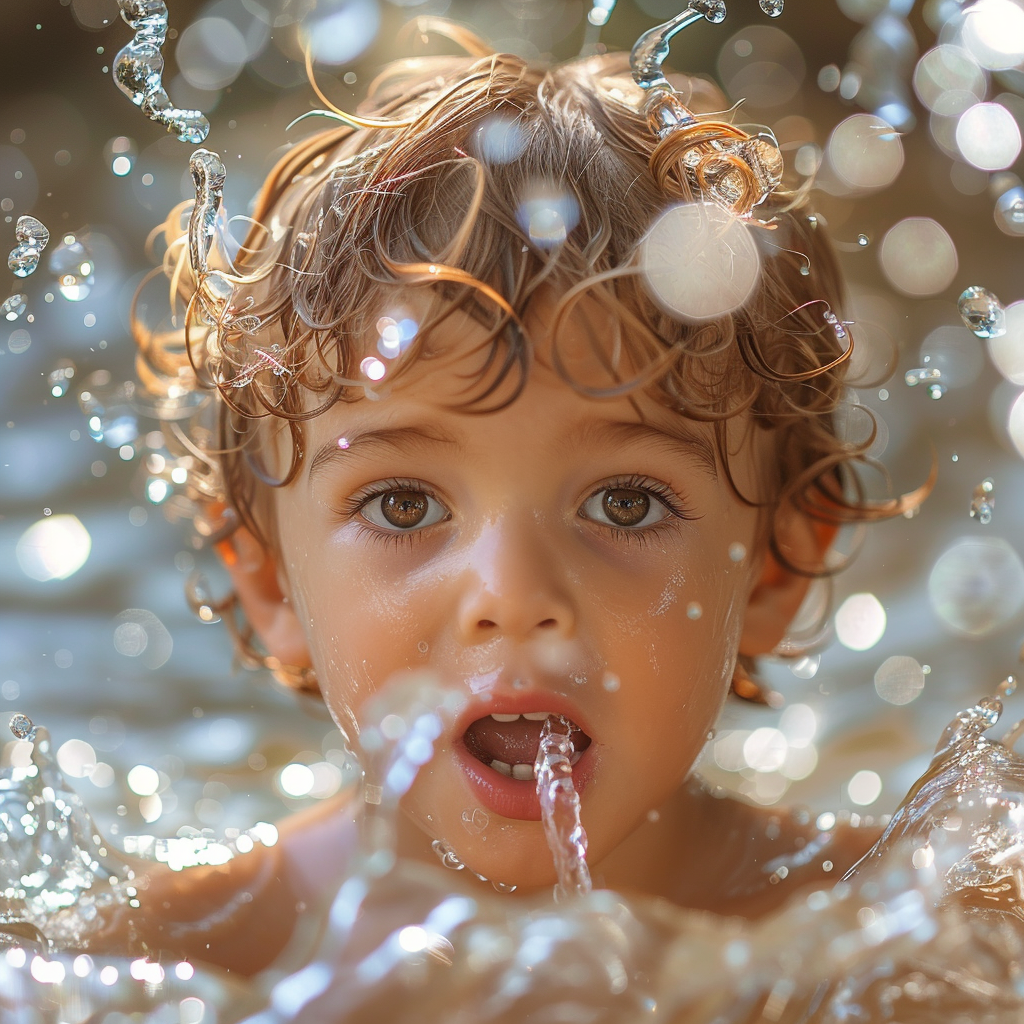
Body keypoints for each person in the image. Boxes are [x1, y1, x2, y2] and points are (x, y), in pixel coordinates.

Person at [98, 19, 922, 977]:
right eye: (403, 506)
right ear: (272, 584)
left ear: (776, 568)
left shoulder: (879, 930)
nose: (513, 592)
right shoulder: (188, 955)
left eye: (625, 504)